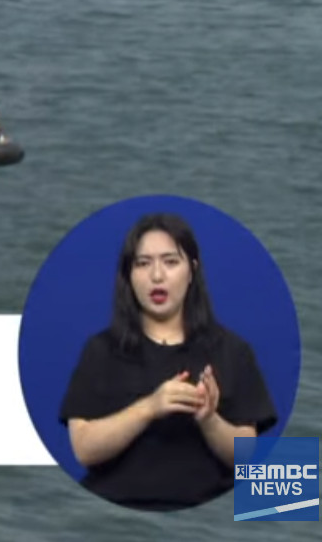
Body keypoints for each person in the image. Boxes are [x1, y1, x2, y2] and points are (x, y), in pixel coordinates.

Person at [57, 212, 277, 512]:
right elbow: (83, 449)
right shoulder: (101, 350)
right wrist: (150, 407)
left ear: (192, 270)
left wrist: (209, 420)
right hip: (115, 511)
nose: (157, 276)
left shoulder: (232, 350)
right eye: (143, 263)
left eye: (171, 262)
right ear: (129, 274)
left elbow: (249, 459)